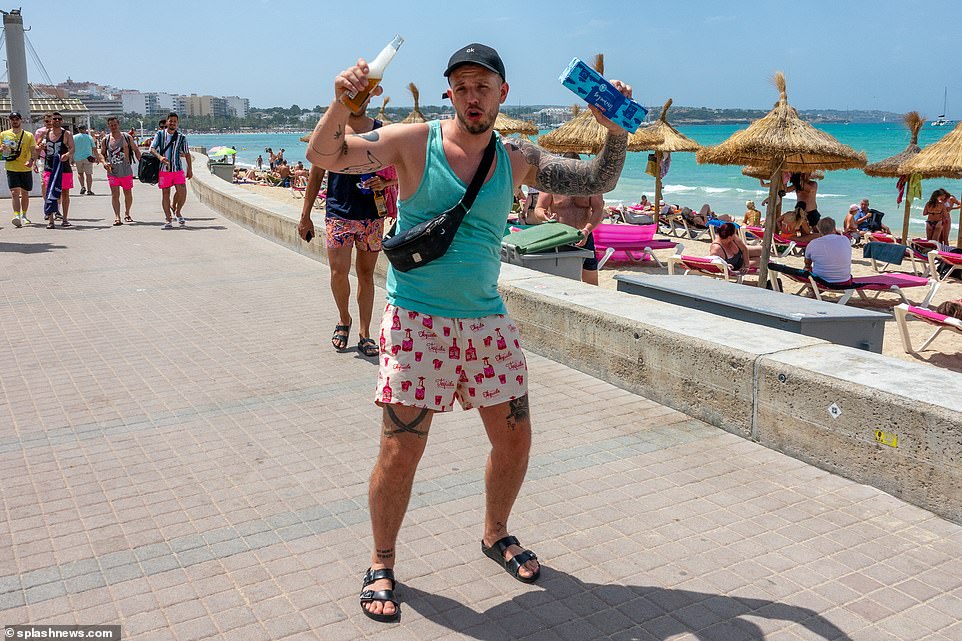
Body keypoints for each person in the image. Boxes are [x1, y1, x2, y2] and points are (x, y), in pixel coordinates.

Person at [306, 43, 630, 623]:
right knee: (400, 448)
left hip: (486, 321)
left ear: (503, 94)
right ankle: (382, 561)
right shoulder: (413, 140)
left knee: (515, 438)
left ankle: (496, 533)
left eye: (484, 85)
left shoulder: (517, 156)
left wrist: (614, 129)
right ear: (448, 92)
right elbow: (327, 154)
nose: (473, 94)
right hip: (416, 321)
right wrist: (339, 103)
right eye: (462, 85)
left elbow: (596, 176)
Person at [297, 97, 397, 359]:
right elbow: (316, 174)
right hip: (338, 212)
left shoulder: (381, 129)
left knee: (366, 275)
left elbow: (402, 166)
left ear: (369, 96)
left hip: (371, 214)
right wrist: (305, 214)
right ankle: (344, 319)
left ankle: (365, 333)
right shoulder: (332, 130)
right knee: (337, 272)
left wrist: (385, 184)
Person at [527, 152, 604, 285]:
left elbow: (598, 210)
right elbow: (539, 208)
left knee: (590, 283)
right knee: (560, 280)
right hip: (559, 237)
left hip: (583, 236)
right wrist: (546, 216)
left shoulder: (590, 184)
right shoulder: (551, 183)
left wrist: (587, 230)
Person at [150, 112, 192, 229]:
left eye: (175, 121)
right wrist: (160, 157)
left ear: (177, 123)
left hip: (177, 169)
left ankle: (178, 211)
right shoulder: (160, 134)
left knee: (182, 192)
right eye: (171, 121)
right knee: (165, 194)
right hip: (164, 170)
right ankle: (168, 218)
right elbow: (152, 149)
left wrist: (190, 169)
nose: (172, 123)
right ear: (167, 122)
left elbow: (187, 154)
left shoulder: (182, 137)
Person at [101, 116, 142, 225]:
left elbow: (136, 149)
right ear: (108, 126)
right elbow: (102, 153)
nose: (113, 127)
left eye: (115, 124)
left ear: (118, 125)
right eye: (111, 125)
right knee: (115, 194)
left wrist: (141, 161)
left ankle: (127, 213)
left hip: (126, 170)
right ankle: (117, 217)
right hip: (112, 171)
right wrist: (104, 163)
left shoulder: (127, 137)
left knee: (127, 193)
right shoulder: (106, 140)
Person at [39, 111, 75, 228]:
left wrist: (67, 155)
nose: (57, 121)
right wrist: (39, 147)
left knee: (65, 193)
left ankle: (64, 218)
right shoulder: (45, 133)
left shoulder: (67, 134)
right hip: (49, 167)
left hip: (64, 168)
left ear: (62, 120)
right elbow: (36, 147)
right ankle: (51, 220)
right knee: (50, 191)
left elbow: (72, 148)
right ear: (51, 121)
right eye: (55, 119)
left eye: (59, 119)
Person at [3, 111, 37, 227]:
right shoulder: (4, 134)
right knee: (14, 192)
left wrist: (31, 161)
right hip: (11, 167)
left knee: (25, 193)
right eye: (12, 119)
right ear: (10, 121)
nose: (15, 121)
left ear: (20, 120)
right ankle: (16, 215)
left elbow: (34, 151)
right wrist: (2, 149)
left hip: (25, 168)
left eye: (17, 118)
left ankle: (24, 215)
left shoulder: (28, 135)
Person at [804, 217, 852, 283]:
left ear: (819, 230)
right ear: (834, 229)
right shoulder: (845, 239)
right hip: (844, 280)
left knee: (806, 269)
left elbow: (807, 264)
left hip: (821, 281)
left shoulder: (813, 243)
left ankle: (812, 290)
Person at [72, 124, 97, 195]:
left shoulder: (74, 137)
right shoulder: (89, 137)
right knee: (88, 174)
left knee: (80, 173)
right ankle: (89, 190)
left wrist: (71, 158)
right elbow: (94, 148)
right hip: (88, 158)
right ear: (84, 129)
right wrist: (97, 158)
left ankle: (82, 186)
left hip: (77, 158)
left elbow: (71, 148)